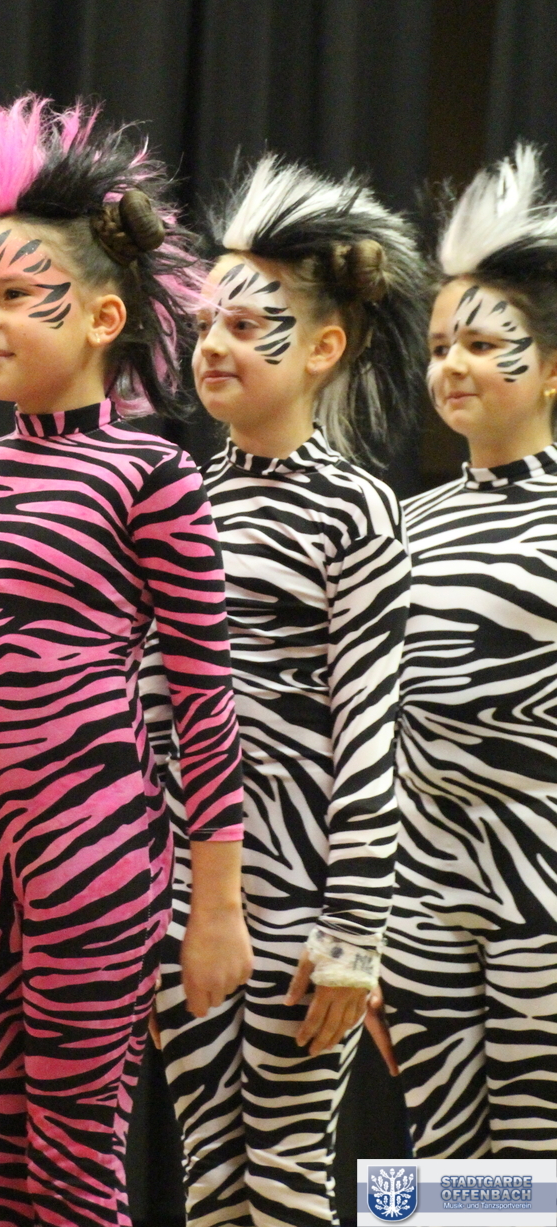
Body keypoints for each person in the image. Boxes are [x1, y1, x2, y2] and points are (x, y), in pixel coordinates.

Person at [0, 95, 253, 1227]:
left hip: (96, 842)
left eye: (17, 296)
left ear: (105, 316)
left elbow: (202, 695)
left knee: (72, 1162)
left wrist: (216, 904)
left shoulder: (151, 476)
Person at [142, 156, 427, 1226]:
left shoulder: (356, 512)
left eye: (246, 325)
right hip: (182, 894)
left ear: (322, 349)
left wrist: (354, 932)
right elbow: (150, 715)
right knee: (210, 1175)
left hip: (305, 898)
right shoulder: (175, 500)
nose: (212, 345)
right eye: (204, 324)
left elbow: (371, 731)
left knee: (286, 1173)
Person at [382, 144, 557, 1157]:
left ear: (551, 369)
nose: (451, 366)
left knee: (538, 1163)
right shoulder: (404, 525)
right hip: (420, 896)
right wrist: (363, 928)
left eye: (484, 345)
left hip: (543, 887)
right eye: (441, 345)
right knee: (441, 1157)